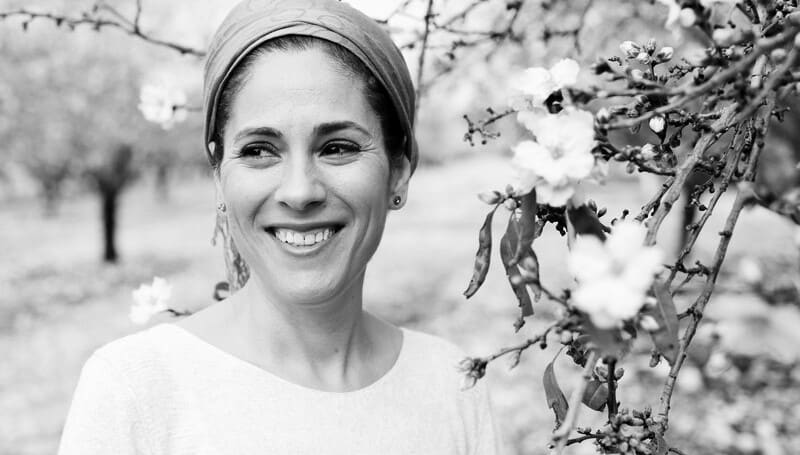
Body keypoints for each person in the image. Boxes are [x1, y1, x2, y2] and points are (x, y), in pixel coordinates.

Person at [57, 0, 502, 453]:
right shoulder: (136, 393)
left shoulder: (452, 385)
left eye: (338, 147)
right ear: (219, 176)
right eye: (258, 150)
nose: (299, 191)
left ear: (399, 170)